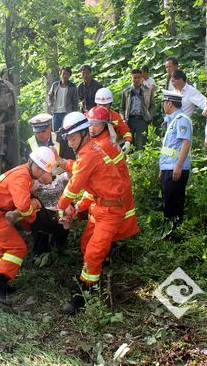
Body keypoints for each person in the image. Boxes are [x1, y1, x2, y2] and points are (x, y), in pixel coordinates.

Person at [54, 112, 126, 314]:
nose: (70, 143)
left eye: (73, 138)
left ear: (84, 134)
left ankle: (85, 294)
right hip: (100, 207)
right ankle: (93, 278)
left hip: (110, 211)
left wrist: (62, 207)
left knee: (94, 252)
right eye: (68, 139)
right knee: (86, 245)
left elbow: (74, 186)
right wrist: (76, 208)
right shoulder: (89, 151)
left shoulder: (89, 154)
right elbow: (78, 169)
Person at [0, 147, 56, 305]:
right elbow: (23, 206)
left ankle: (0, 281)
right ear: (30, 162)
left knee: (6, 248)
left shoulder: (24, 174)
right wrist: (33, 219)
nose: (39, 172)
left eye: (42, 170)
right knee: (17, 248)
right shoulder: (22, 176)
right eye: (38, 167)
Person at [86, 106, 139, 242]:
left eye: (96, 124)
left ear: (104, 125)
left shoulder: (103, 145)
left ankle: (110, 249)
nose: (91, 128)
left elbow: (89, 172)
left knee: (110, 226)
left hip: (115, 188)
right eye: (90, 124)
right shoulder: (105, 140)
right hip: (118, 185)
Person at [24, 113, 72, 259]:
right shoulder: (29, 143)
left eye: (43, 131)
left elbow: (70, 161)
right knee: (39, 217)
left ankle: (59, 243)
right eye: (37, 132)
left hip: (60, 182)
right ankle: (40, 249)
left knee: (63, 213)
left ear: (50, 127)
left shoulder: (61, 140)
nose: (40, 135)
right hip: (39, 186)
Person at [159, 90, 192, 233]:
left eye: (164, 103)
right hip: (169, 166)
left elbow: (186, 143)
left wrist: (178, 166)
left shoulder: (181, 119)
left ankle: (174, 232)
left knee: (174, 201)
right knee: (168, 199)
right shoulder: (172, 119)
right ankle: (169, 230)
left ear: (169, 103)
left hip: (175, 167)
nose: (163, 106)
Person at [120, 69, 156, 150]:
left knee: (141, 145)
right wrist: (123, 119)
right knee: (128, 144)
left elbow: (153, 106)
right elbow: (122, 108)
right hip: (129, 120)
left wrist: (149, 117)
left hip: (142, 120)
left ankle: (141, 161)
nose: (136, 80)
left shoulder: (147, 90)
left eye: (138, 77)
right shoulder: (126, 91)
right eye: (134, 77)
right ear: (131, 78)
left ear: (142, 78)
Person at [94, 87, 132, 153]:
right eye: (100, 105)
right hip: (96, 151)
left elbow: (125, 131)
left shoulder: (115, 117)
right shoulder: (91, 116)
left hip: (112, 149)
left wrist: (127, 142)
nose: (102, 108)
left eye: (105, 105)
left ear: (110, 104)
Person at [47, 67, 79, 132]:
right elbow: (50, 96)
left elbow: (75, 101)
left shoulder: (72, 86)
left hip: (67, 113)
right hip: (56, 113)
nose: (64, 76)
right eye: (63, 73)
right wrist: (51, 106)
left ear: (69, 75)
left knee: (67, 132)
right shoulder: (55, 85)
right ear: (60, 74)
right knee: (55, 133)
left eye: (67, 74)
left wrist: (73, 112)